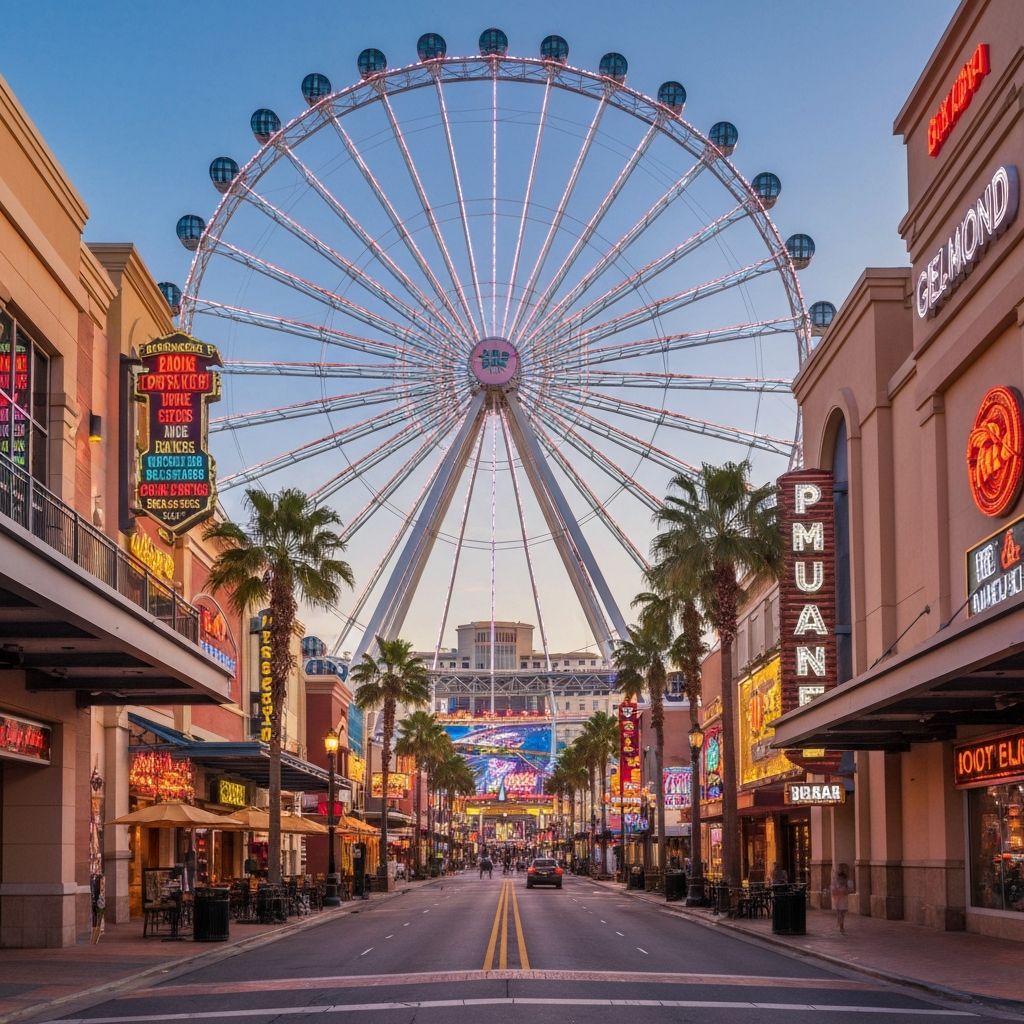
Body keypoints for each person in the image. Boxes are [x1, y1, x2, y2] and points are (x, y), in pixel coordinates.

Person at [830, 863, 852, 933]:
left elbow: (849, 889)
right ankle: (841, 926)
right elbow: (833, 889)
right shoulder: (838, 880)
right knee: (841, 912)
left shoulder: (842, 880)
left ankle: (840, 924)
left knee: (841, 912)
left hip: (841, 898)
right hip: (840, 898)